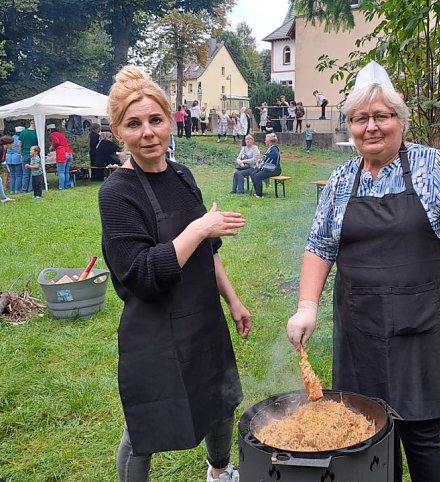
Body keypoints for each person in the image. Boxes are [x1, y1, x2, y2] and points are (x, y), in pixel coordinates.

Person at [286, 61, 440, 482]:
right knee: (366, 429)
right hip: (360, 325)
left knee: (419, 429)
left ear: (399, 120)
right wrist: (306, 306)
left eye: (381, 116)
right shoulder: (342, 180)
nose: (371, 127)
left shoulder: (433, 166)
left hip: (422, 324)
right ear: (350, 126)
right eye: (361, 118)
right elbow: (319, 246)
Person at [98, 65, 250, 482]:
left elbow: (209, 251)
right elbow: (142, 273)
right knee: (146, 425)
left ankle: (219, 473)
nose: (147, 132)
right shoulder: (116, 193)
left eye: (155, 120)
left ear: (170, 122)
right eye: (134, 124)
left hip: (202, 317)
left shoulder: (183, 177)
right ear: (118, 132)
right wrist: (200, 226)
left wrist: (232, 299)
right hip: (155, 328)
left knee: (220, 403)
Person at [249, 132, 281, 198]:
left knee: (257, 176)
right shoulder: (270, 149)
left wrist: (264, 159)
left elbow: (272, 160)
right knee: (253, 174)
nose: (265, 141)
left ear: (269, 141)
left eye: (266, 140)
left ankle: (259, 194)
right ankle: (257, 191)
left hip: (274, 169)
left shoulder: (274, 149)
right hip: (268, 168)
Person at [48, 124, 74, 190]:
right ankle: (66, 185)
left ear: (50, 130)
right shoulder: (61, 134)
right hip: (69, 152)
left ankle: (61, 187)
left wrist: (52, 147)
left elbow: (56, 142)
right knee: (66, 171)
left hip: (62, 153)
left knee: (61, 171)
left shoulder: (53, 134)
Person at [0, 135, 15, 204]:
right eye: (12, 143)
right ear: (8, 144)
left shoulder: (4, 150)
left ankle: (3, 198)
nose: (13, 145)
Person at [18, 121, 38, 193]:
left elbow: (19, 144)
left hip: (24, 154)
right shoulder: (36, 133)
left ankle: (24, 189)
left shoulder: (23, 132)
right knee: (33, 172)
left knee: (25, 173)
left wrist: (21, 153)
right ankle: (30, 188)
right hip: (34, 155)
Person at [6, 126, 24, 193]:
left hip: (8, 157)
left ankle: (11, 190)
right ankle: (17, 189)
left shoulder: (11, 138)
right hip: (16, 157)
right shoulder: (20, 139)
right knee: (18, 174)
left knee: (12, 174)